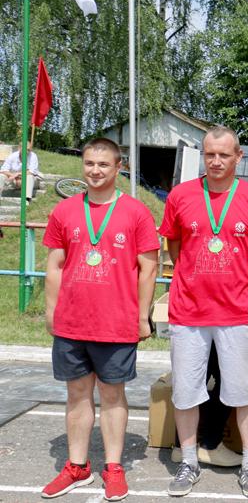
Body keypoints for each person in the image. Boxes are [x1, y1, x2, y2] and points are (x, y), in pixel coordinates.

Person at [159, 126, 248, 498]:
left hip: (238, 313)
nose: (216, 161)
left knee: (245, 393)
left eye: (224, 154)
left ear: (239, 157)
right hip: (189, 312)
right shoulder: (181, 195)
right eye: (210, 154)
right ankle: (189, 461)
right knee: (186, 392)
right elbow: (176, 248)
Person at [41, 138, 159, 501]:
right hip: (72, 321)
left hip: (116, 322)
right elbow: (55, 265)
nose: (95, 170)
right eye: (90, 163)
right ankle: (77, 466)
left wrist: (142, 316)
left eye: (103, 164)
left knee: (112, 395)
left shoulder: (136, 212)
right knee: (77, 394)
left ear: (119, 167)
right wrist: (51, 311)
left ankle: (113, 467)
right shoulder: (65, 211)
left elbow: (149, 268)